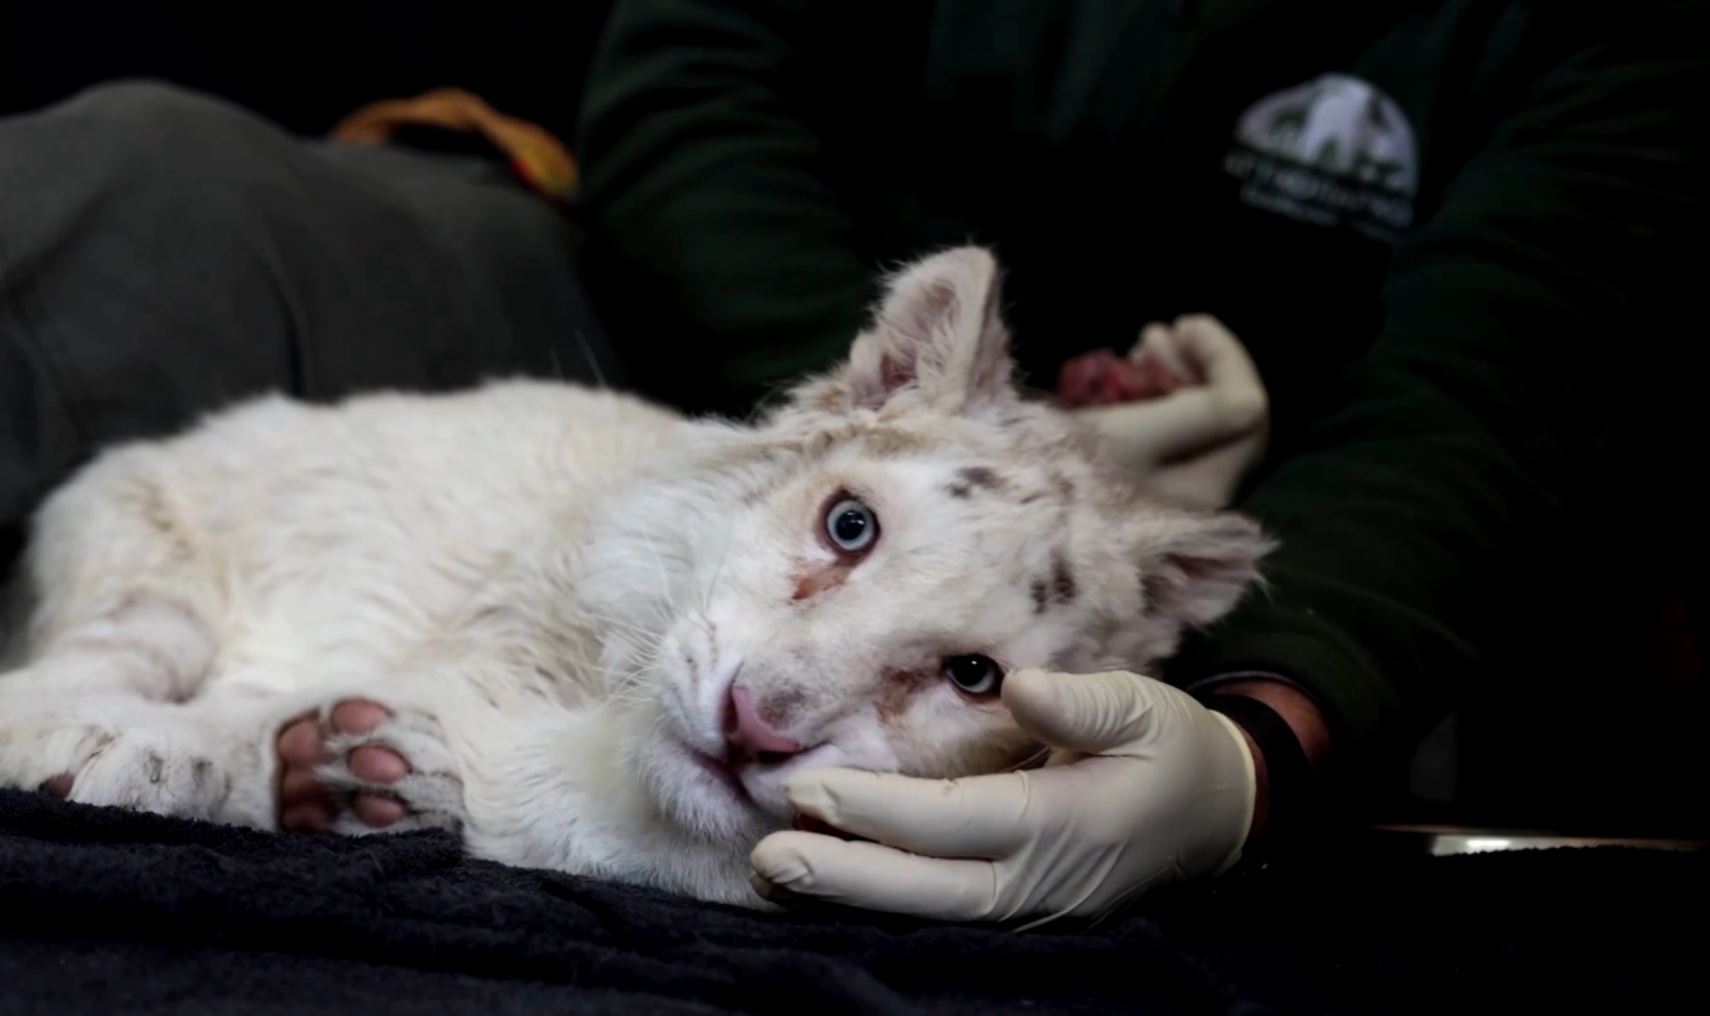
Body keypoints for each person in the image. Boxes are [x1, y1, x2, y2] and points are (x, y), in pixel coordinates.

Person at [0, 1, 1702, 923]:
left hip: (1174, 538)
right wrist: (883, 418)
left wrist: (1267, 731)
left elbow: (1498, 398)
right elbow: (688, 68)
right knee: (144, 181)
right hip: (710, 319)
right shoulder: (851, 421)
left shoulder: (1598, 47)